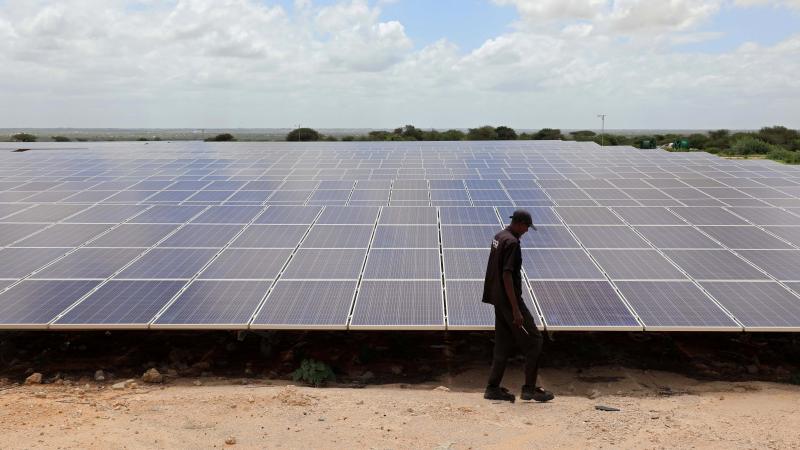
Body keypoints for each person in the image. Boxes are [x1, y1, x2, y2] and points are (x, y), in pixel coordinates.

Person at [481, 209, 554, 403]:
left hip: (497, 298)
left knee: (502, 344)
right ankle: (529, 389)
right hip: (510, 301)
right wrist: (516, 310)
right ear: (519, 223)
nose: (527, 231)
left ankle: (492, 388)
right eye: (527, 227)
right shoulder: (512, 243)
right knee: (535, 341)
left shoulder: (499, 237)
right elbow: (507, 274)